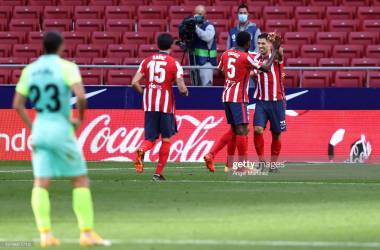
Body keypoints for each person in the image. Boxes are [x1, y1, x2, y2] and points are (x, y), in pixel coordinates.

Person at [12, 30, 110, 247]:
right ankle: (86, 233)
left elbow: (17, 104)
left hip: (40, 129)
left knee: (40, 183)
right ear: (61, 46)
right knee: (80, 180)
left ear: (42, 47)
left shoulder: (30, 70)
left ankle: (45, 235)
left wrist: (32, 127)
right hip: (61, 128)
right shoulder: (67, 67)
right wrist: (79, 120)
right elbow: (81, 96)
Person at [203, 31, 282, 172]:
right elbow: (266, 67)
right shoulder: (246, 57)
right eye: (257, 43)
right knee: (243, 130)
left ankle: (214, 156)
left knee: (234, 129)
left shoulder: (226, 54)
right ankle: (242, 166)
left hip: (226, 96)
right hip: (238, 98)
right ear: (248, 44)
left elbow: (219, 73)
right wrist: (275, 49)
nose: (259, 46)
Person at [132, 33, 189, 181]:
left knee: (150, 138)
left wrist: (144, 93)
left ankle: (141, 150)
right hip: (165, 105)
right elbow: (181, 87)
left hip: (150, 104)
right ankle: (158, 174)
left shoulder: (146, 61)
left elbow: (134, 82)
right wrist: (185, 92)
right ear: (171, 46)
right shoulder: (174, 63)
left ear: (158, 45)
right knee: (166, 139)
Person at [252, 32, 286, 173]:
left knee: (276, 135)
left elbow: (281, 55)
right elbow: (252, 74)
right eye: (259, 43)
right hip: (261, 101)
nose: (260, 46)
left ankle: (273, 165)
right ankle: (262, 162)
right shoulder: (254, 58)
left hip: (277, 101)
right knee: (257, 129)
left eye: (263, 43)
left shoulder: (276, 57)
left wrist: (277, 45)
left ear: (269, 45)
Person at [227, 5, 261, 88]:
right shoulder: (232, 32)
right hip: (235, 68)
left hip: (249, 67)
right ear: (237, 14)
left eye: (244, 13)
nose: (242, 14)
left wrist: (250, 61)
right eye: (241, 13)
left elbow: (258, 47)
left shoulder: (255, 30)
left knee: (249, 91)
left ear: (248, 14)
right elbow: (228, 49)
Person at [190, 5, 217, 86]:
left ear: (205, 14)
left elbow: (207, 37)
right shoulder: (196, 26)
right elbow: (194, 44)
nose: (197, 16)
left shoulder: (209, 26)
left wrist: (196, 28)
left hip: (206, 63)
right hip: (195, 62)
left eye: (199, 14)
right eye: (195, 14)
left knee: (206, 89)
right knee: (195, 90)